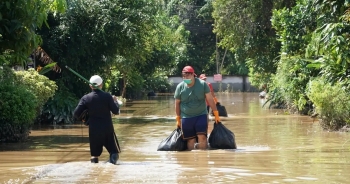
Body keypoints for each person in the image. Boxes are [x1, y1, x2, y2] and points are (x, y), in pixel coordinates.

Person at [74, 75, 120, 164]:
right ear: (101, 85)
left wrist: (85, 120)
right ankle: (112, 166)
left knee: (94, 155)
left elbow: (76, 113)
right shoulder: (107, 96)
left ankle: (94, 171)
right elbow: (116, 111)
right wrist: (115, 101)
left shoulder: (86, 98)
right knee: (114, 152)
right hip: (107, 129)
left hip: (94, 130)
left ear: (90, 86)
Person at [174, 66, 221, 150]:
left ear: (193, 75)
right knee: (190, 140)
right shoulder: (180, 87)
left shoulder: (203, 85)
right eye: (184, 76)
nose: (185, 78)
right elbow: (177, 103)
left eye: (187, 76)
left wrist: (216, 113)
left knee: (202, 137)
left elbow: (210, 99)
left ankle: (203, 159)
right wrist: (178, 118)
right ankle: (192, 161)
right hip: (186, 117)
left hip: (201, 115)